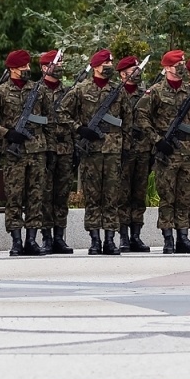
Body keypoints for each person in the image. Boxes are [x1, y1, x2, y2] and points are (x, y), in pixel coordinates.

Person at [0, 49, 52, 255]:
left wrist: (51, 148)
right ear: (12, 69)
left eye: (28, 66)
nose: (27, 69)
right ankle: (16, 240)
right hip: (14, 153)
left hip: (37, 151)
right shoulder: (1, 92)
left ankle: (32, 240)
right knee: (14, 197)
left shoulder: (39, 90)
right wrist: (6, 133)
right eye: (22, 67)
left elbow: (49, 118)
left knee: (35, 196)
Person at [139, 50, 190, 254]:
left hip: (187, 151)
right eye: (179, 64)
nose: (182, 67)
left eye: (183, 63)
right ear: (168, 67)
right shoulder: (155, 92)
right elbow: (141, 118)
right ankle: (168, 238)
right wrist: (157, 141)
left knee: (185, 197)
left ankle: (183, 237)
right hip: (167, 153)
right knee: (167, 197)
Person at [61, 49, 125, 255]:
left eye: (111, 63)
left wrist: (125, 144)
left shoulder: (118, 90)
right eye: (106, 63)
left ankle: (110, 239)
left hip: (113, 149)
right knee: (93, 196)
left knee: (112, 196)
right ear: (96, 66)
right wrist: (79, 128)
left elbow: (129, 119)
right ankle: (95, 239)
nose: (109, 66)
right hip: (91, 151)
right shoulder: (80, 90)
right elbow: (61, 112)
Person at [37, 50, 74, 254]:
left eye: (61, 63)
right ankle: (46, 237)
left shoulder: (69, 92)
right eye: (56, 63)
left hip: (65, 149)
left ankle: (60, 236)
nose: (60, 66)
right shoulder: (35, 91)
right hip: (43, 150)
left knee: (61, 195)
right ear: (44, 67)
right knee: (44, 194)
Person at [116, 56, 154, 252]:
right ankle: (122, 235)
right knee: (123, 193)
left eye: (138, 69)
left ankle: (136, 235)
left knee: (139, 194)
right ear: (123, 74)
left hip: (143, 149)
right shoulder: (115, 94)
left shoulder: (146, 94)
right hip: (123, 149)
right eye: (133, 69)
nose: (138, 72)